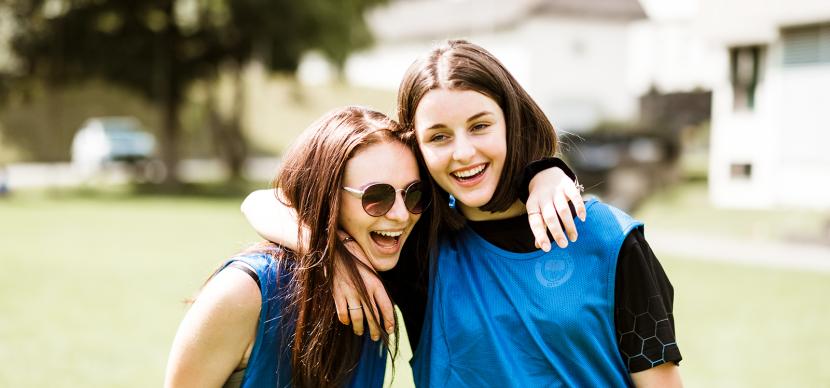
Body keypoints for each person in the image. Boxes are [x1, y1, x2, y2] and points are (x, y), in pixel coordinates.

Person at [244, 40, 683, 387]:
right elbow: (267, 202)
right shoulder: (417, 245)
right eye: (438, 136)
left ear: (512, 121)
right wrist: (332, 256)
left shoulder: (607, 239)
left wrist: (544, 169)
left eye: (480, 126)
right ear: (417, 149)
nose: (463, 153)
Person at [164, 106, 430, 388]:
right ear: (326, 195)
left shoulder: (392, 275)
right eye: (377, 196)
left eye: (414, 194)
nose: (402, 214)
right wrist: (332, 255)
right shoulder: (245, 292)